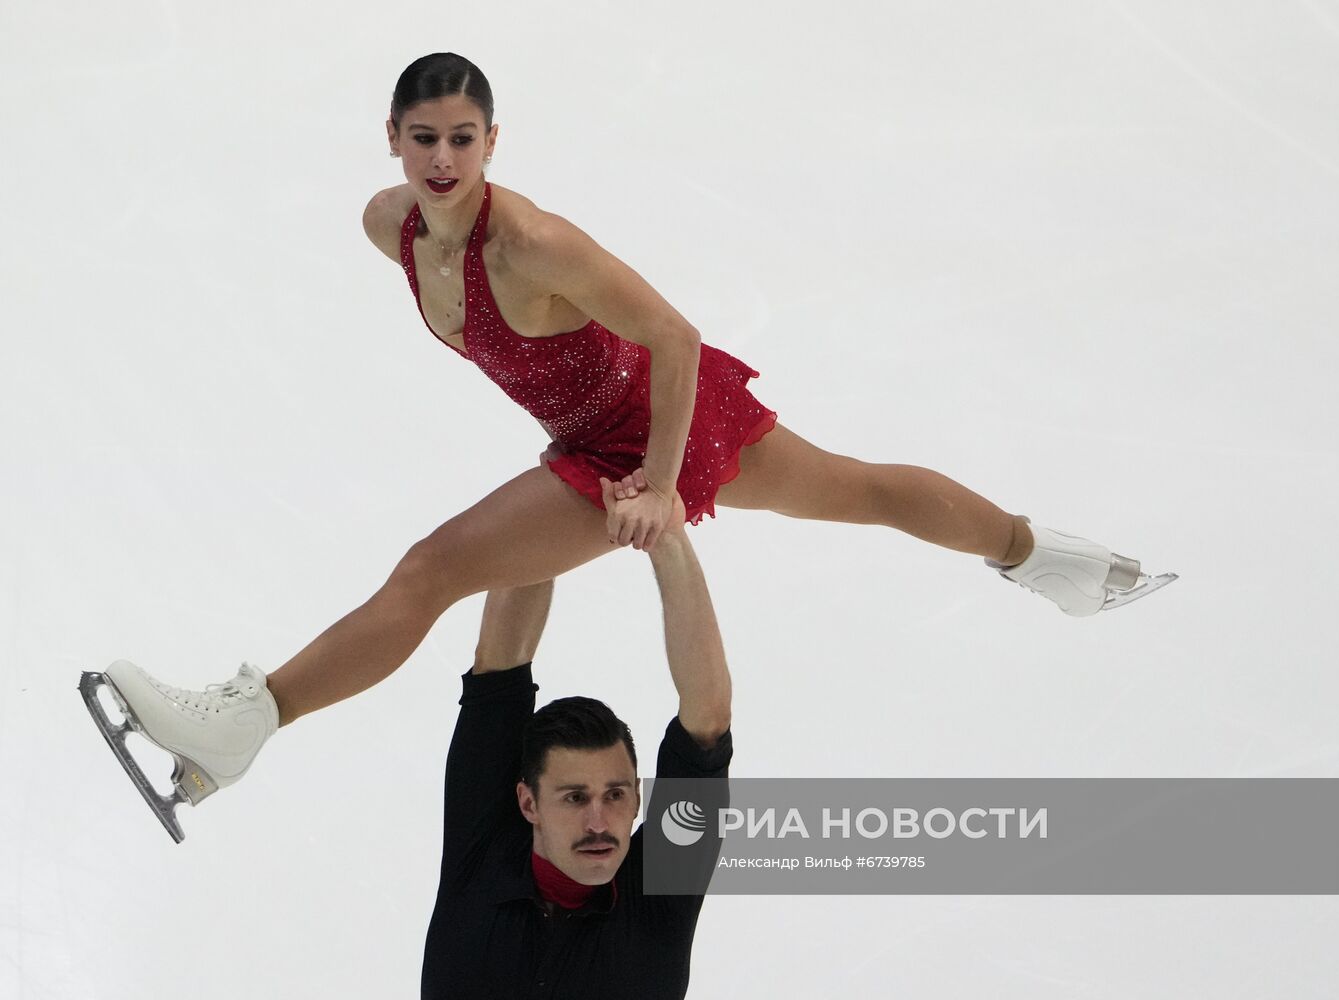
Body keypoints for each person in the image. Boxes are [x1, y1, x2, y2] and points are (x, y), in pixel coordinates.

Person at [79, 51, 1174, 843]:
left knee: (434, 568)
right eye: (425, 138)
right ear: (394, 141)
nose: (445, 158)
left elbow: (673, 333)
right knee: (857, 488)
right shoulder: (389, 228)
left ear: (493, 142)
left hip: (648, 425)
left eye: (465, 137)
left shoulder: (534, 243)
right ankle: (1050, 561)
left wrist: (653, 475)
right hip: (586, 427)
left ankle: (246, 718)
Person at [420, 484, 730, 999]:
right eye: (573, 797)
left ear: (636, 798)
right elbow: (503, 658)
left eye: (615, 795)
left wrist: (667, 533)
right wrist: (569, 486)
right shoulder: (484, 852)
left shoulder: (660, 890)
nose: (597, 821)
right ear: (528, 802)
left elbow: (708, 720)